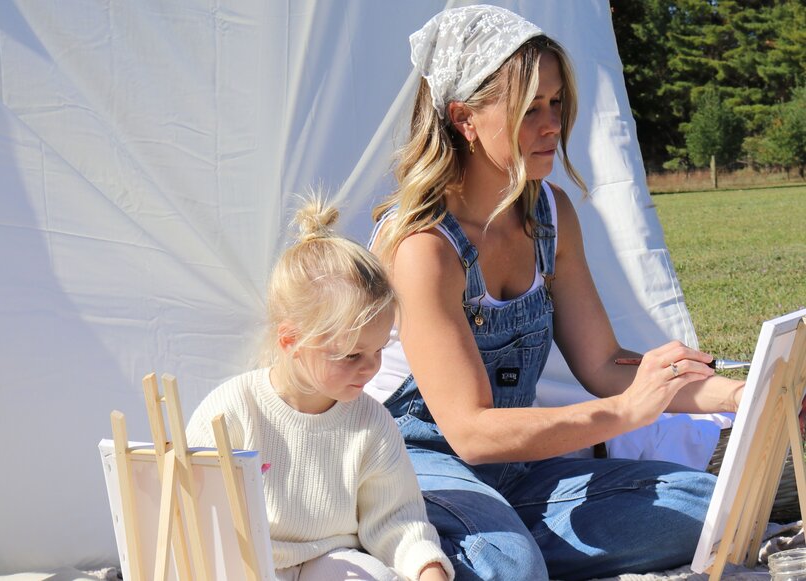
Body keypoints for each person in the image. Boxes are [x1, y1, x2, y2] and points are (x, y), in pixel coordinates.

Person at [365, 6, 745, 581]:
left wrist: (740, 395)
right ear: (464, 118)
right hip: (415, 469)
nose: (552, 126)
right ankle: (426, 543)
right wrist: (621, 414)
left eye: (557, 103)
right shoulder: (422, 246)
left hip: (509, 470)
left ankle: (494, 544)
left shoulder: (550, 215)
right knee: (511, 566)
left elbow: (605, 365)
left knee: (704, 504)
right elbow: (468, 431)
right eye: (529, 110)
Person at [186, 197, 454, 581]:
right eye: (349, 355)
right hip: (246, 566)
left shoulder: (370, 420)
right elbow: (192, 514)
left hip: (331, 560)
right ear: (290, 340)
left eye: (379, 350)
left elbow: (396, 520)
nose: (371, 366)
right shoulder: (232, 409)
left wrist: (427, 568)